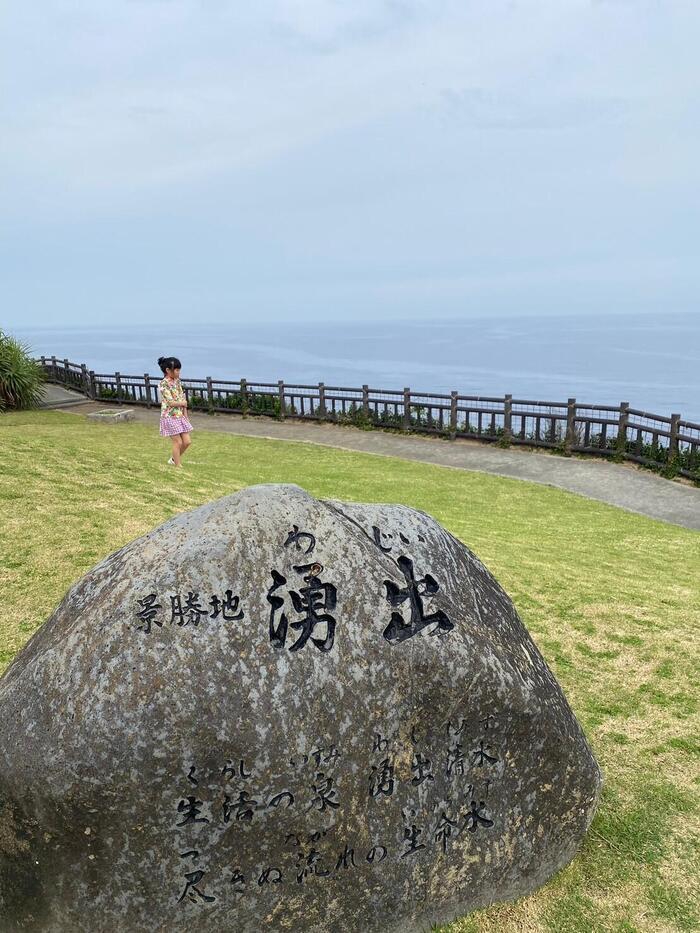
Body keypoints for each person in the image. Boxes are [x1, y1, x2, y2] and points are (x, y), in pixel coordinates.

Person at [157, 356, 193, 466]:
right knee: (178, 442)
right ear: (168, 370)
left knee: (187, 442)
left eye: (179, 369)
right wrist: (183, 403)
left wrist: (185, 414)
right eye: (176, 370)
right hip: (169, 416)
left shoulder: (177, 381)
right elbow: (170, 402)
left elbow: (182, 397)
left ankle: (173, 459)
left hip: (180, 415)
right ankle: (178, 466)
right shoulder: (163, 384)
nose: (178, 372)